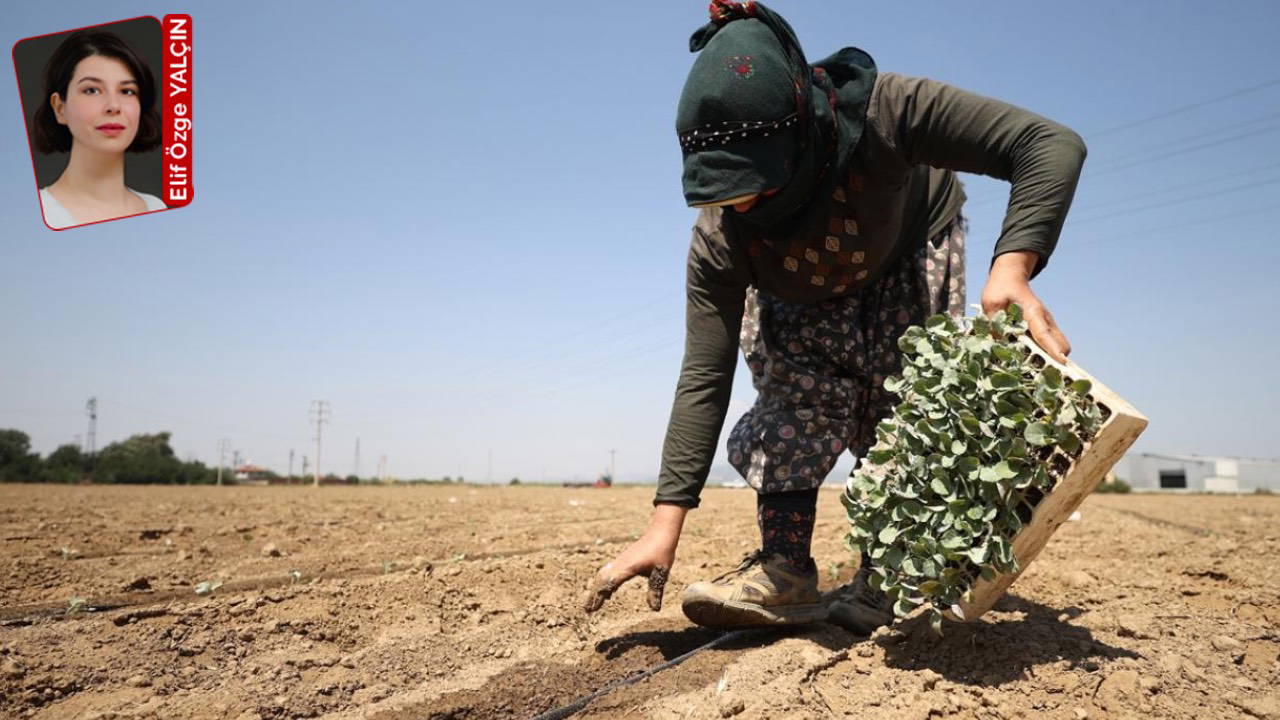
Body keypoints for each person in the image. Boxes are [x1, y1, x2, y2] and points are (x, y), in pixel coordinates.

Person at [584, 1, 1083, 631]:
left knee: (901, 402)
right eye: (727, 199)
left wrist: (1011, 267)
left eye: (760, 190)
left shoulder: (885, 111)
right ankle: (784, 568)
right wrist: (664, 524)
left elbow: (1047, 143)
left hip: (906, 242)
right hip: (797, 284)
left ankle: (889, 573)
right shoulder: (723, 238)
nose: (745, 210)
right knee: (795, 395)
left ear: (800, 131)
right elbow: (703, 377)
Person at [31, 30, 166, 230]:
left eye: (127, 91)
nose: (113, 106)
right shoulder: (37, 213)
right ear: (59, 108)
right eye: (92, 90)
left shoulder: (156, 208)